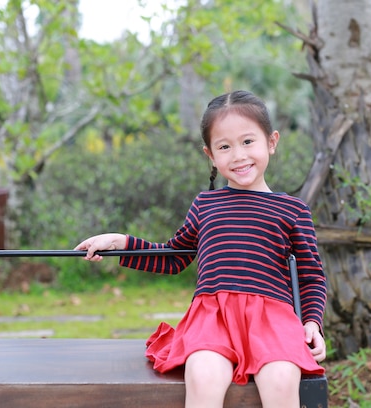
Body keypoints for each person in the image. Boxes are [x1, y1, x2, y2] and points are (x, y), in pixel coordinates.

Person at [75, 90, 326, 408]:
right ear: (210, 154)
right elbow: (174, 257)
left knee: (280, 382)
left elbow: (311, 277)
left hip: (271, 321)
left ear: (271, 142)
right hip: (213, 319)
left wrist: (312, 323)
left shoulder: (292, 210)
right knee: (203, 377)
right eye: (225, 146)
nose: (238, 155)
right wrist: (121, 242)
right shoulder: (205, 205)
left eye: (248, 142)